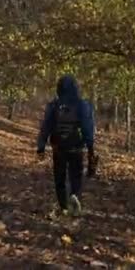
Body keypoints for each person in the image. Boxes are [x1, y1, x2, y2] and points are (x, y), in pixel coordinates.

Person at [36, 75, 97, 216]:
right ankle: (74, 195)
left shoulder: (54, 106)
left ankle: (63, 207)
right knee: (76, 175)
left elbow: (46, 126)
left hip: (59, 148)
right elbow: (88, 127)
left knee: (60, 178)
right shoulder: (82, 105)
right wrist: (91, 148)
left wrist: (41, 147)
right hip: (76, 147)